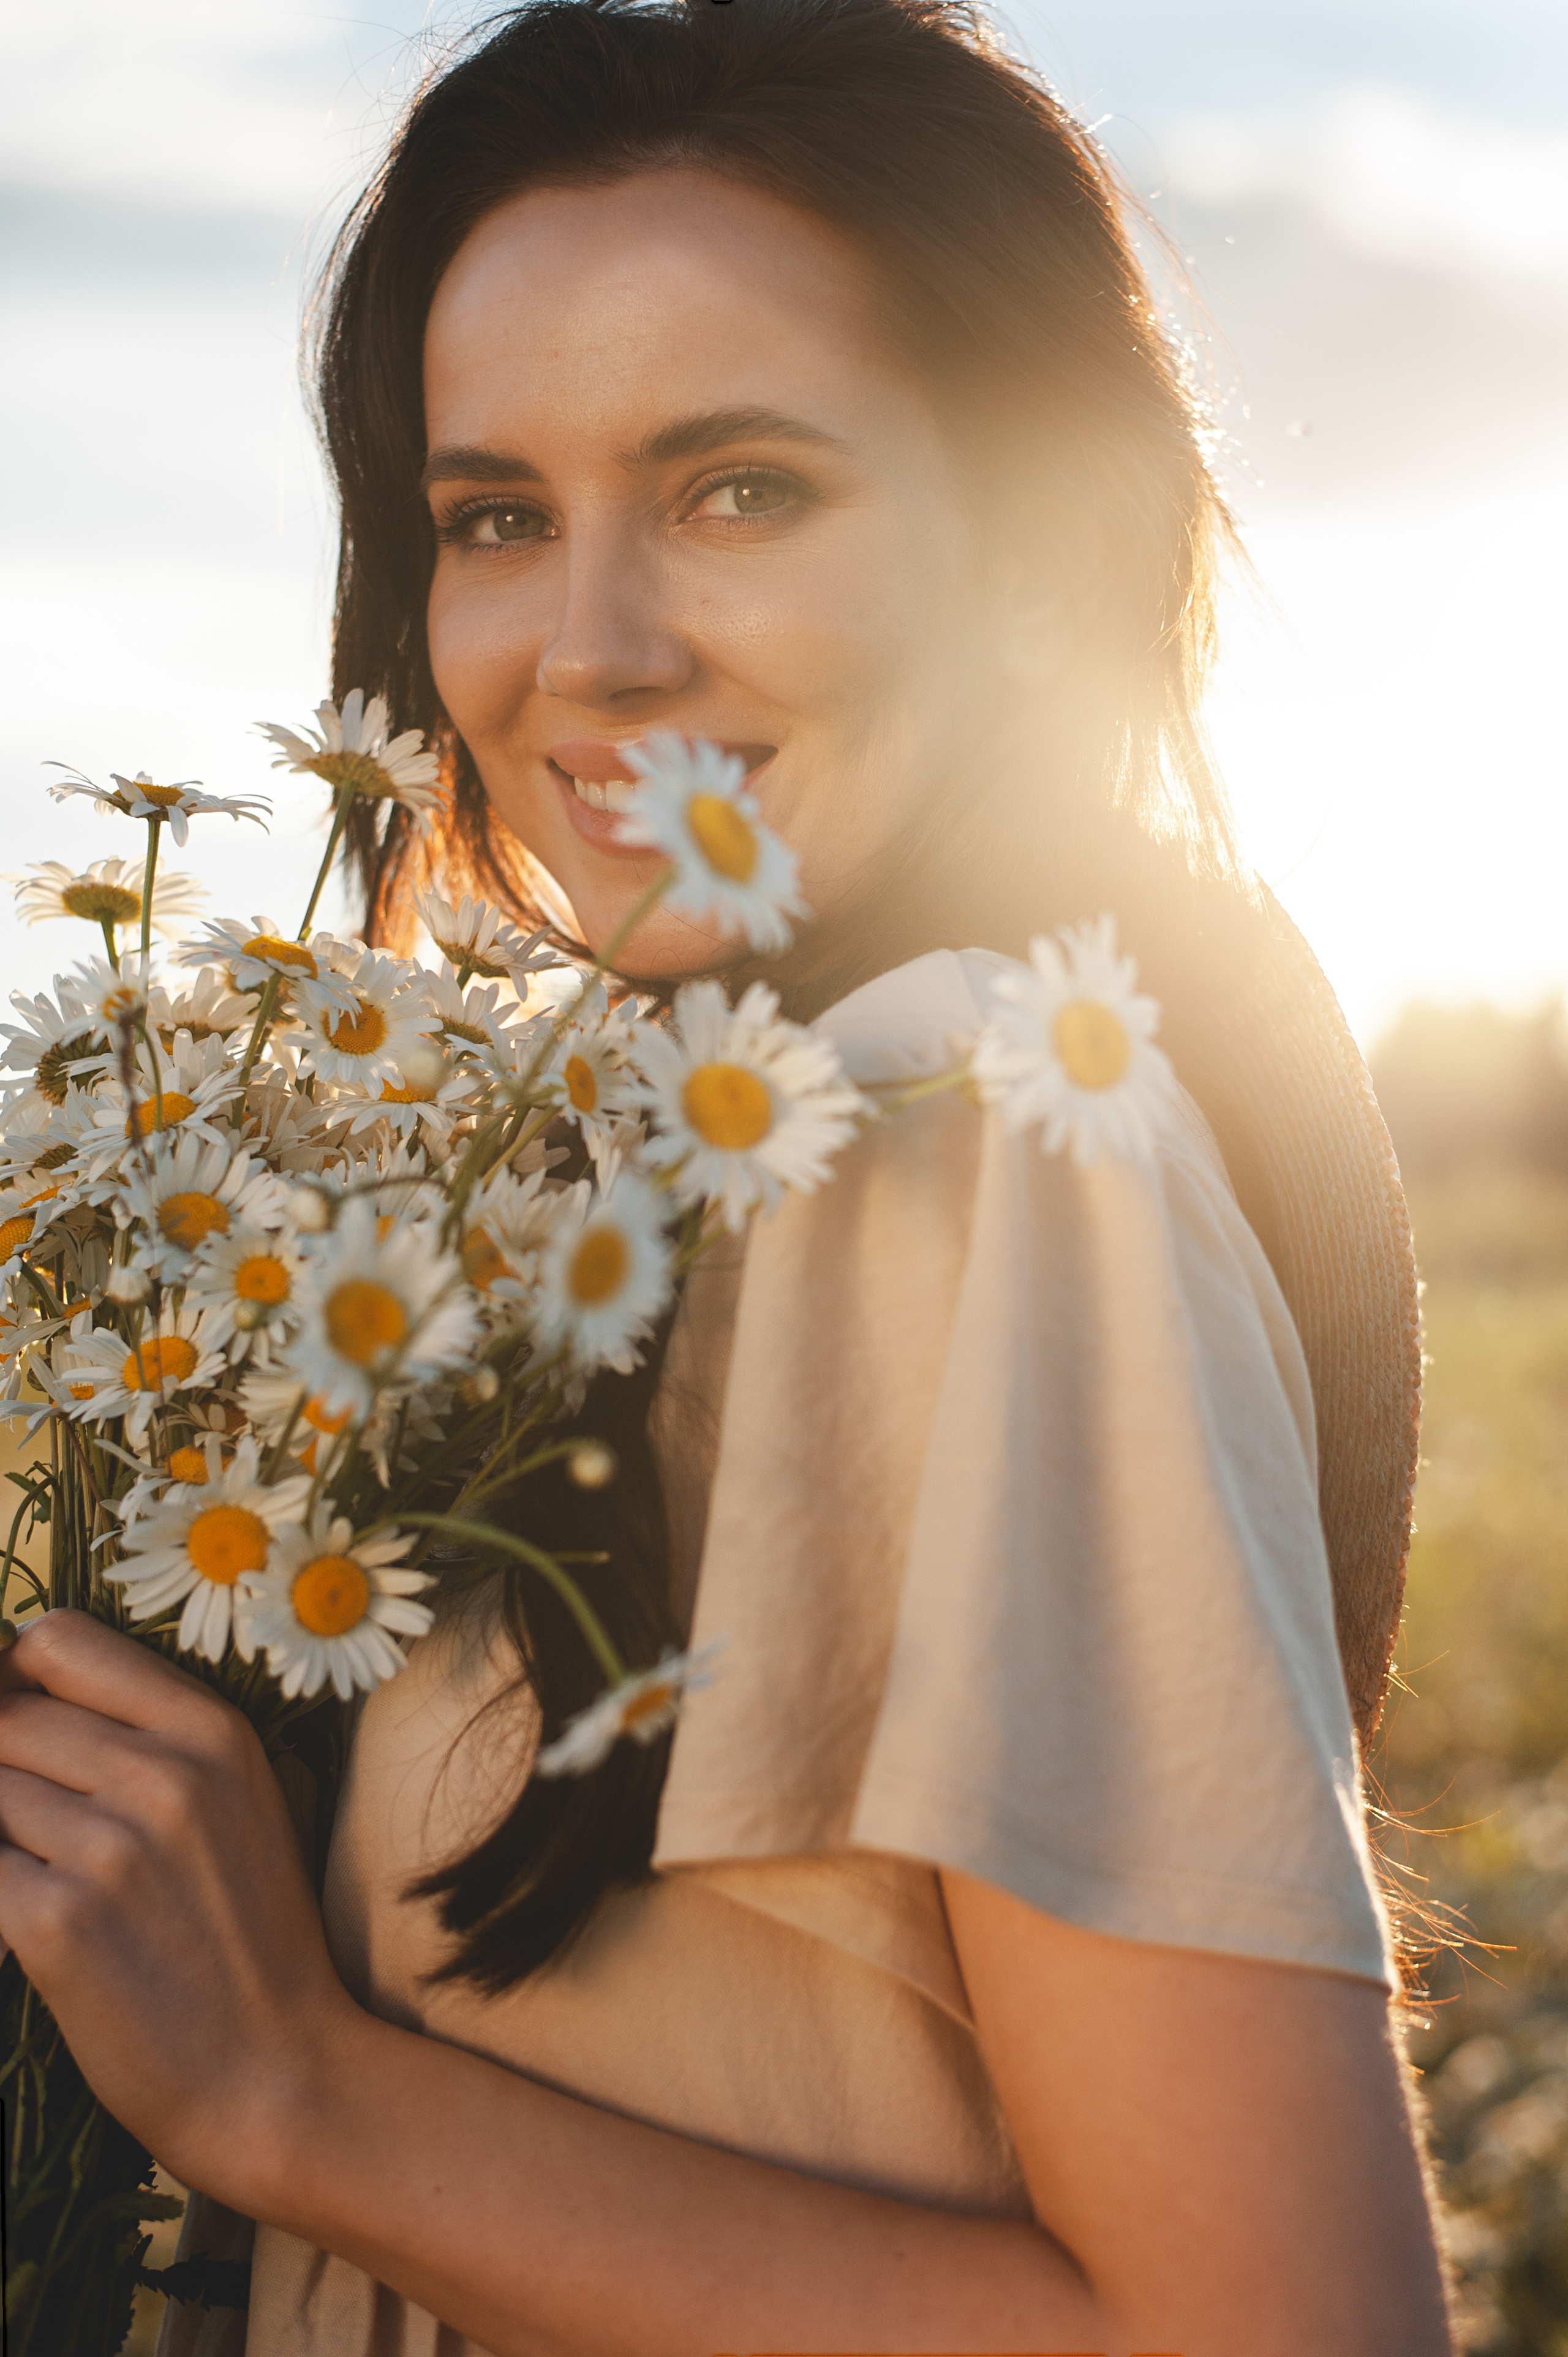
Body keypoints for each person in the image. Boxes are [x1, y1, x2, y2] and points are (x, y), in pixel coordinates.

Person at [0, 2, 1453, 2350]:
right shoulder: (652, 1174)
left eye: (740, 490)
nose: (588, 650)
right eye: (495, 518)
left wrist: (282, 2092)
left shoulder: (960, 1133)